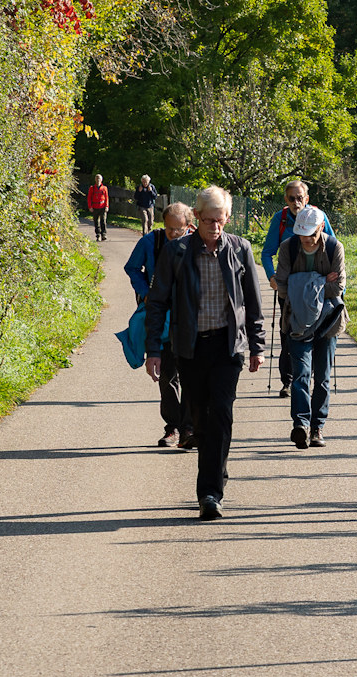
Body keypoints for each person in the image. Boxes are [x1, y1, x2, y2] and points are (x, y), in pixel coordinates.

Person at [145, 186, 265, 521]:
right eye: (209, 220)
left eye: (221, 220)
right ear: (196, 217)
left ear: (227, 218)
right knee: (200, 420)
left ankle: (209, 493)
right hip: (190, 348)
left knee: (222, 415)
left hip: (228, 348)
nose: (215, 226)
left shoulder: (240, 249)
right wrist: (153, 349)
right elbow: (157, 303)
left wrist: (257, 345)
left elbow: (253, 302)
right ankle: (216, 470)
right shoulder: (177, 252)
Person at [273, 205, 347, 450]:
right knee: (301, 375)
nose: (306, 240)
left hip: (327, 321)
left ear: (321, 227)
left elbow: (338, 289)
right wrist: (319, 281)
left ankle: (318, 427)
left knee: (323, 378)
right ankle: (301, 425)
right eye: (302, 235)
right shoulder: (288, 247)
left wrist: (301, 284)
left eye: (311, 235)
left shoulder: (335, 247)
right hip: (296, 320)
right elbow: (281, 287)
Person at [123, 201, 194, 448]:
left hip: (189, 318)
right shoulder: (150, 241)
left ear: (189, 225)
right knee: (167, 374)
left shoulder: (197, 243)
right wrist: (145, 292)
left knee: (190, 375)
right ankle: (173, 428)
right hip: (160, 316)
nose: (174, 233)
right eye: (170, 228)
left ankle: (189, 428)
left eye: (179, 229)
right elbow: (132, 267)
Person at [260, 181, 339, 397]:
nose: (297, 202)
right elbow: (267, 252)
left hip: (317, 291)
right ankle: (288, 381)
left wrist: (332, 275)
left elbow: (332, 245)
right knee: (288, 334)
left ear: (307, 198)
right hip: (290, 289)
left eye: (300, 197)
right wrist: (272, 276)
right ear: (286, 200)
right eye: (292, 198)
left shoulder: (319, 217)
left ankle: (307, 376)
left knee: (318, 332)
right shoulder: (281, 219)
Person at [87, 174, 109, 241]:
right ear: (95, 180)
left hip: (102, 206)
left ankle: (104, 234)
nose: (98, 180)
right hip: (95, 207)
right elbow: (89, 198)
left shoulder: (104, 188)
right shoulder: (92, 188)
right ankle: (98, 235)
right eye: (97, 178)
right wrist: (90, 207)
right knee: (96, 222)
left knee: (103, 221)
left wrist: (107, 206)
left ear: (101, 179)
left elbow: (106, 198)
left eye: (99, 178)